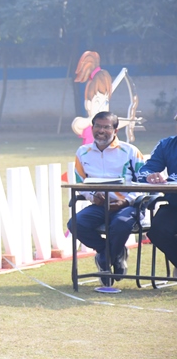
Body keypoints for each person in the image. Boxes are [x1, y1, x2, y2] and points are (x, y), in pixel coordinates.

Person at [67, 111, 145, 286]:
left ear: (115, 130)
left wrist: (126, 201)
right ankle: (111, 253)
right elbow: (80, 182)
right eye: (97, 126)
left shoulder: (130, 151)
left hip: (128, 205)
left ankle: (104, 259)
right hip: (100, 206)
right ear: (92, 128)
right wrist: (93, 196)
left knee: (120, 224)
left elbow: (144, 183)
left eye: (106, 127)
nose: (101, 131)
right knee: (75, 224)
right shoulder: (83, 152)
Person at [137, 118, 177, 274]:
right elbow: (144, 171)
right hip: (174, 205)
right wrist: (150, 176)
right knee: (157, 231)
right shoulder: (166, 145)